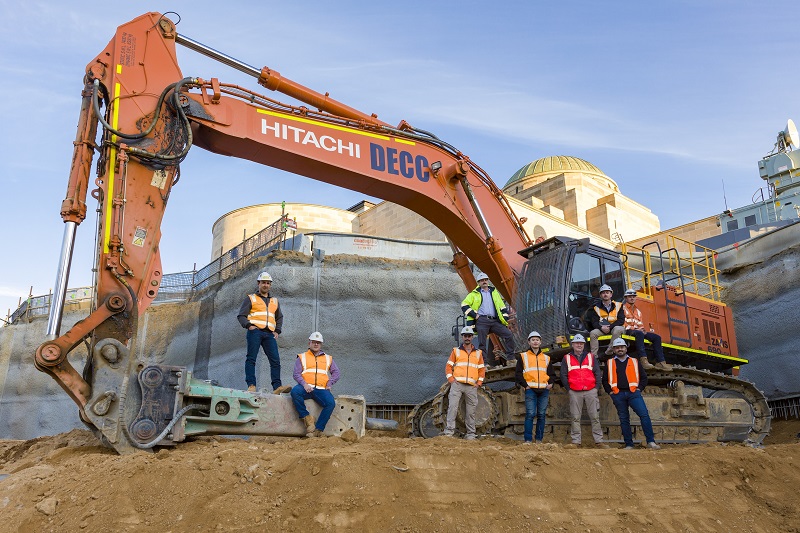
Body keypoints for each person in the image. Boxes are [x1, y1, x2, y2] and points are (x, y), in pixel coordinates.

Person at [602, 338, 662, 450]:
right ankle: (629, 444)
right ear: (614, 350)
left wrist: (639, 388)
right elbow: (605, 380)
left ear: (626, 348)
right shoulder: (609, 363)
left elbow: (644, 377)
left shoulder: (634, 361)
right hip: (618, 394)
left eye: (622, 347)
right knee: (624, 419)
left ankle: (651, 441)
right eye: (617, 347)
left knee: (644, 415)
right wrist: (610, 392)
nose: (620, 349)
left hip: (633, 393)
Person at [237, 271, 285, 392]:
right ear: (258, 283)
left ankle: (277, 387)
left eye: (268, 283)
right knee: (251, 358)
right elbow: (241, 316)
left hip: (269, 333)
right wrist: (249, 326)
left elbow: (279, 317)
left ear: (270, 285)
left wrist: (277, 330)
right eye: (263, 282)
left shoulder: (275, 301)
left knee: (275, 360)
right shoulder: (251, 298)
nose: (266, 285)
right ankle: (251, 385)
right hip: (255, 332)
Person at [560, 334, 609, 448]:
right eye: (577, 343)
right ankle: (576, 441)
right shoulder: (566, 358)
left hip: (590, 390)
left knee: (595, 416)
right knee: (575, 417)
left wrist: (596, 387)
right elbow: (563, 374)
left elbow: (597, 372)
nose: (579, 345)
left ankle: (599, 441)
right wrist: (569, 389)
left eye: (581, 343)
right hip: (574, 391)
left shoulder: (591, 356)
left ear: (584, 345)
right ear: (573, 345)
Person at [290, 331, 340, 438]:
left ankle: (318, 430)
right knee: (295, 391)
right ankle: (307, 418)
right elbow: (296, 374)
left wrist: (329, 383)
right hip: (306, 388)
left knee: (330, 403)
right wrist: (304, 384)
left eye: (318, 342)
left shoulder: (328, 358)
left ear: (321, 344)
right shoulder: (302, 357)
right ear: (309, 343)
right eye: (314, 342)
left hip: (321, 389)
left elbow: (336, 373)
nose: (316, 344)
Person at [461, 272, 515, 367]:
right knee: (482, 343)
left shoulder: (494, 292)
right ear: (478, 282)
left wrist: (505, 317)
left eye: (485, 280)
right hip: (482, 321)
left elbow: (501, 306)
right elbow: (464, 305)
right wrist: (475, 315)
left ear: (488, 281)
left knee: (508, 335)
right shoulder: (474, 294)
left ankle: (511, 359)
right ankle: (484, 364)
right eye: (482, 280)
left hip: (494, 321)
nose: (484, 282)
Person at [443, 326, 486, 440]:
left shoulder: (478, 353)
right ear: (462, 337)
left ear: (472, 337)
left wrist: (479, 383)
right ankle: (449, 432)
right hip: (457, 385)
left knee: (471, 411)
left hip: (471, 386)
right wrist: (451, 380)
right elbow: (448, 367)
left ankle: (471, 434)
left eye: (469, 336)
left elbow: (481, 369)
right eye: (465, 336)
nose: (467, 338)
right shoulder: (456, 351)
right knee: (452, 407)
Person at [514, 331, 555, 444]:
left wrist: (551, 383)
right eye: (533, 340)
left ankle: (539, 439)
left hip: (544, 390)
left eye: (537, 340)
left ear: (540, 342)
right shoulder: (523, 356)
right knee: (530, 414)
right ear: (529, 342)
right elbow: (518, 373)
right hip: (530, 390)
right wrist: (525, 386)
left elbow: (552, 374)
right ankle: (528, 439)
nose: (535, 342)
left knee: (541, 415)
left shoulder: (546, 358)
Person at [621, 288, 673, 371]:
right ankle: (643, 360)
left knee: (656, 337)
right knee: (639, 334)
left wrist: (642, 329)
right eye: (630, 296)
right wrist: (637, 329)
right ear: (626, 298)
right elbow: (623, 323)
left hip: (637, 331)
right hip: (627, 330)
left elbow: (640, 324)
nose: (632, 298)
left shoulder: (638, 311)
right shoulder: (622, 309)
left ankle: (660, 362)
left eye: (633, 296)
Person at [585, 284, 625, 360]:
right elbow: (594, 322)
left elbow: (621, 320)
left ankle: (609, 351)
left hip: (614, 328)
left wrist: (610, 327)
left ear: (611, 294)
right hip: (603, 328)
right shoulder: (596, 307)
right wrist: (601, 327)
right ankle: (594, 357)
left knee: (618, 329)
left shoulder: (619, 305)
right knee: (593, 333)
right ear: (600, 295)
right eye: (603, 293)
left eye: (607, 292)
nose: (605, 294)